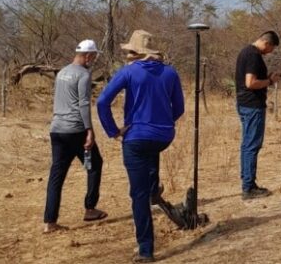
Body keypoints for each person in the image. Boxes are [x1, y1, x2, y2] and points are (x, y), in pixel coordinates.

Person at [97, 30, 184, 263]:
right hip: (163, 136)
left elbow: (102, 101)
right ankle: (154, 188)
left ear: (136, 53)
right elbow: (179, 108)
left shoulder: (128, 72)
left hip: (136, 137)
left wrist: (113, 131)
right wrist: (164, 122)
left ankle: (146, 248)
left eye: (129, 51)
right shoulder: (170, 72)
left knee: (138, 194)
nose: (126, 55)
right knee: (150, 154)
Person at [43, 39, 107, 234]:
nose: (93, 60)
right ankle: (90, 208)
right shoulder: (84, 75)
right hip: (75, 130)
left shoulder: (62, 73)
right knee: (94, 164)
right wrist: (89, 130)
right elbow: (83, 104)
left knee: (57, 175)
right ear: (87, 55)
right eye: (93, 56)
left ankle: (49, 221)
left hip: (57, 129)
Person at [235, 31, 281, 200]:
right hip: (252, 106)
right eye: (271, 49)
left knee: (247, 144)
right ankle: (248, 187)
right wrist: (270, 82)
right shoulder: (254, 55)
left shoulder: (245, 52)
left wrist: (267, 78)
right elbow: (250, 83)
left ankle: (248, 182)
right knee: (252, 145)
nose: (270, 52)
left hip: (244, 104)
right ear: (267, 43)